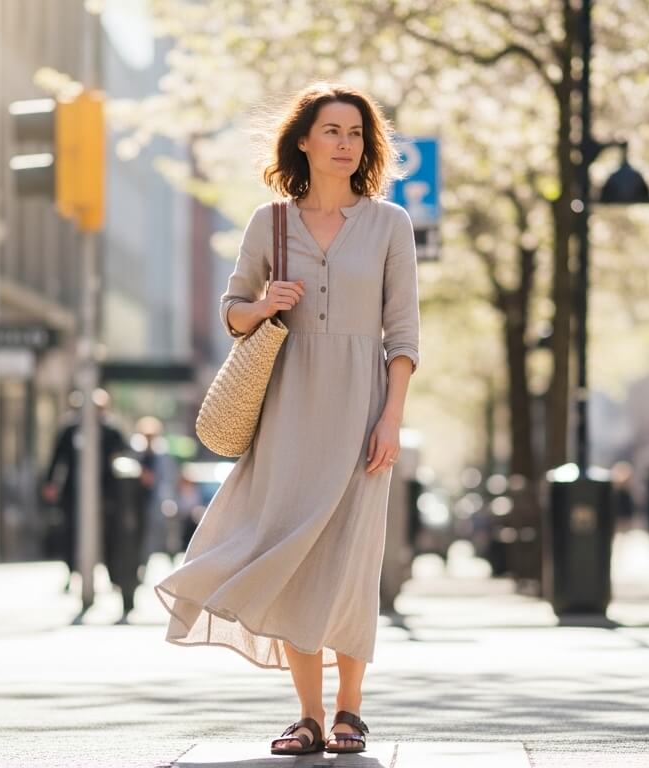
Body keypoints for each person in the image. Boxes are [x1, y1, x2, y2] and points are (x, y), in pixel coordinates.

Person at [154, 82, 419, 757]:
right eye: (331, 130)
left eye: (355, 133)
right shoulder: (269, 223)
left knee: (352, 557)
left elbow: (403, 333)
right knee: (294, 555)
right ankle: (307, 714)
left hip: (362, 408)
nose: (344, 143)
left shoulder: (390, 224)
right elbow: (234, 313)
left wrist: (391, 417)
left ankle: (350, 711)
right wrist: (264, 302)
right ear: (303, 139)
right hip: (289, 407)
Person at [41, 389, 132, 593]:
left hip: (106, 493)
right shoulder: (71, 429)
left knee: (108, 537)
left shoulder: (111, 430)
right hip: (74, 493)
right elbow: (58, 457)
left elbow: (124, 456)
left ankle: (112, 577)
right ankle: (72, 573)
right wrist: (51, 483)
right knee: (71, 534)